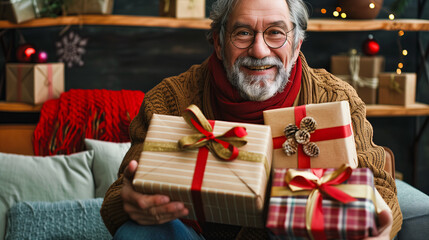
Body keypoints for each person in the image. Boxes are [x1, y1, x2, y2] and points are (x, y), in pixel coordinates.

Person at [101, 0, 402, 239]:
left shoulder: (336, 99)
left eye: (275, 32)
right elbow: (119, 193)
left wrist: (380, 228)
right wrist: (129, 201)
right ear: (219, 44)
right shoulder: (169, 100)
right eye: (243, 33)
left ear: (296, 46)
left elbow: (380, 186)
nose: (259, 50)